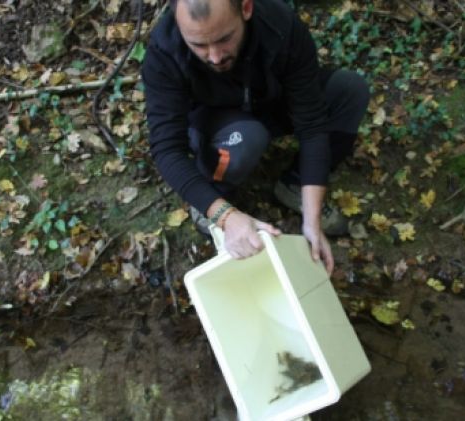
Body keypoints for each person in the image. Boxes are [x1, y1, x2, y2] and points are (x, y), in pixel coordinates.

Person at [142, 0, 369, 273]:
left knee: (349, 90)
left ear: (246, 9)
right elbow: (168, 149)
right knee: (246, 139)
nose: (215, 56)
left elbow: (311, 124)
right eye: (199, 45)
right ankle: (212, 199)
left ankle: (295, 185)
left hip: (269, 100)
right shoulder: (164, 50)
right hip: (214, 118)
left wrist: (312, 220)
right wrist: (225, 216)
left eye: (225, 38)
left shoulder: (280, 26)